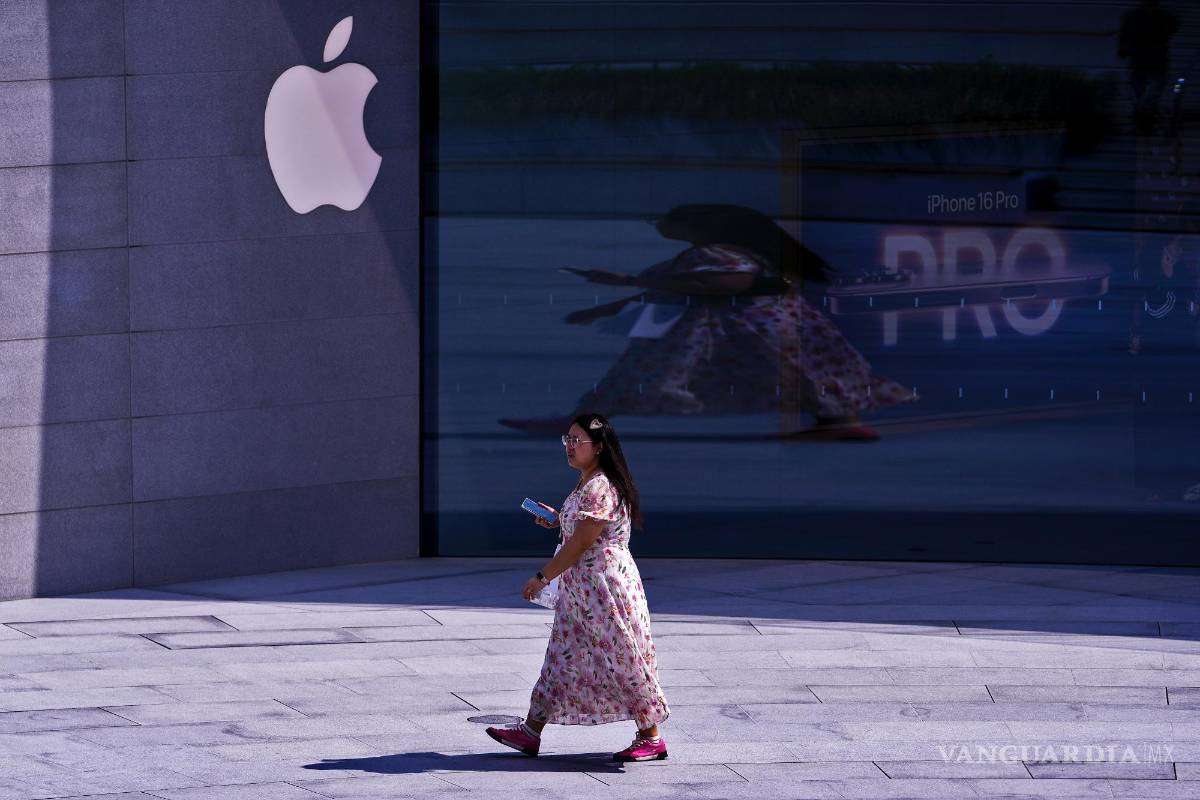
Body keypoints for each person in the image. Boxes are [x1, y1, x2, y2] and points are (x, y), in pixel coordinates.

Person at [500, 204, 914, 440]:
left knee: (643, 373)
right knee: (798, 374)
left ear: (696, 226)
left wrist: (629, 283)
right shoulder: (715, 250)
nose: (660, 226)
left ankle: (580, 426)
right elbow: (688, 284)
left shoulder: (718, 252)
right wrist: (612, 302)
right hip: (755, 324)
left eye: (668, 221)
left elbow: (723, 283)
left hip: (746, 326)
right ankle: (840, 422)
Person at [485, 414, 671, 762]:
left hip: (604, 591)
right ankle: (530, 732)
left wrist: (542, 577)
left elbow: (582, 543)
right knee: (560, 660)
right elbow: (582, 530)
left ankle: (652, 736)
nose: (569, 446)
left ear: (598, 448)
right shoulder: (587, 483)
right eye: (567, 439)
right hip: (583, 592)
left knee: (622, 657)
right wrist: (558, 519)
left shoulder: (599, 485)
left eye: (577, 441)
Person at [1118, 0, 1179, 135]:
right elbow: (1174, 28)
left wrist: (1123, 51)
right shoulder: (1163, 16)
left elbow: (1124, 35)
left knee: (1142, 89)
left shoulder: (1132, 15)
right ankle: (1144, 118)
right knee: (1151, 88)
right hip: (1154, 58)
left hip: (1141, 58)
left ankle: (1142, 118)